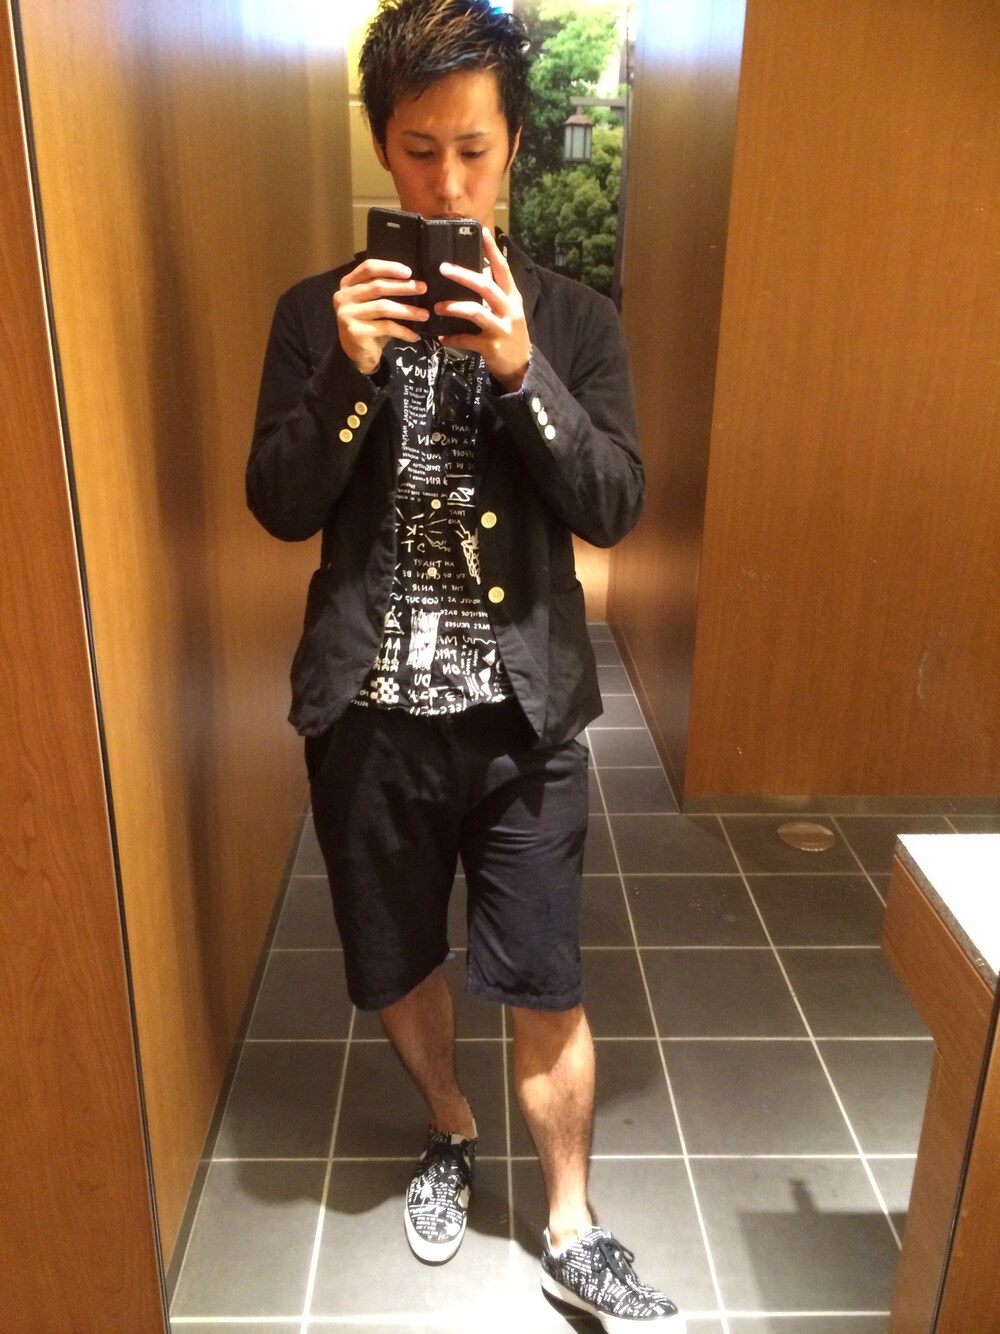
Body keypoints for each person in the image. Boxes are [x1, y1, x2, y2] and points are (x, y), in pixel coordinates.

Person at [247, 1, 684, 1327]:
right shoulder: (315, 315)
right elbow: (277, 502)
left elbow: (615, 502)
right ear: (385, 146)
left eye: (475, 152)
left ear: (514, 150)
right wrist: (348, 374)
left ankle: (573, 1221)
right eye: (421, 150)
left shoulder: (574, 319)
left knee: (546, 974)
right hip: (368, 718)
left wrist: (521, 373)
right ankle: (448, 1121)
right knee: (394, 956)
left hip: (522, 719)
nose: (448, 184)